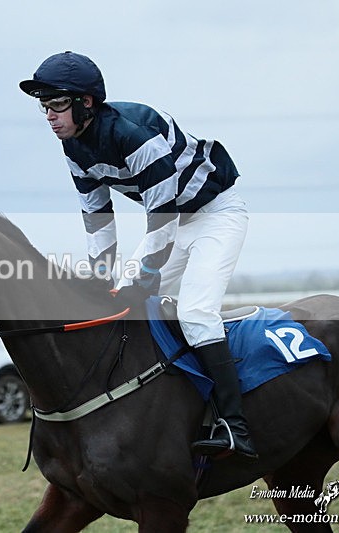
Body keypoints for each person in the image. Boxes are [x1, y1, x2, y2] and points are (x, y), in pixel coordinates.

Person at [20, 51, 257, 460]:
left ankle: (235, 426)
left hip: (216, 214)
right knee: (117, 307)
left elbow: (160, 216)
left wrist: (146, 274)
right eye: (44, 106)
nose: (49, 115)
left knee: (197, 313)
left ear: (86, 102)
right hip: (171, 222)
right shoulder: (75, 147)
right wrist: (101, 280)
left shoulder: (134, 136)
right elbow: (97, 219)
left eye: (57, 104)